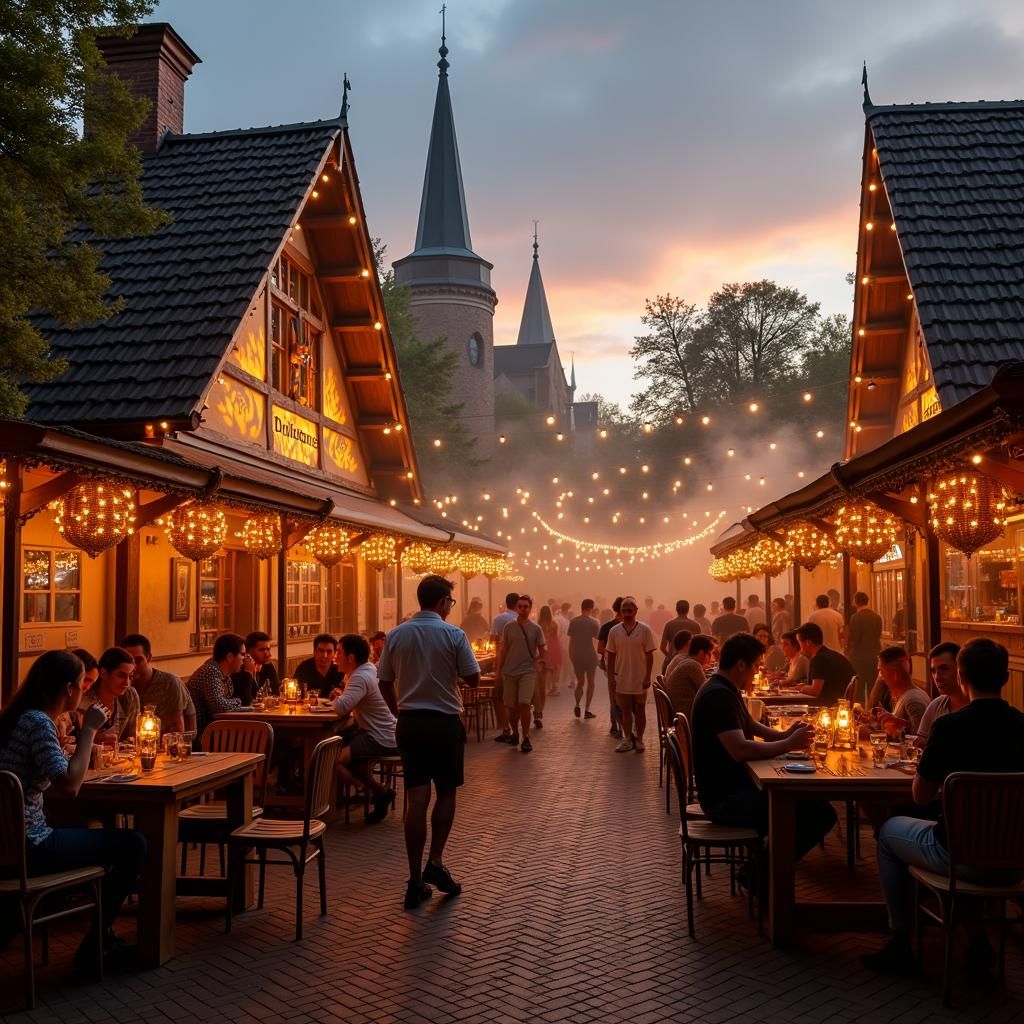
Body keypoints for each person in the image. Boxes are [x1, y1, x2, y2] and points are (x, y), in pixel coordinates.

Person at [862, 638, 1024, 978]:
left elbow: (920, 796)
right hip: (1013, 861)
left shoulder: (949, 727)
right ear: (1006, 678)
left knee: (890, 831)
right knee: (961, 839)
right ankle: (976, 938)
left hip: (957, 856)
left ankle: (901, 939)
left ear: (962, 678)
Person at [0, 650, 147, 974]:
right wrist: (91, 729)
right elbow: (69, 786)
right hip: (31, 845)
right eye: (82, 683)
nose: (84, 690)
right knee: (133, 844)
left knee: (99, 834)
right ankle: (96, 944)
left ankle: (98, 936)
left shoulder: (18, 716)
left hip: (9, 846)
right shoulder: (38, 722)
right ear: (69, 689)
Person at [691, 632, 837, 878]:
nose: (757, 671)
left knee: (810, 805)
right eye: (756, 666)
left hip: (734, 788)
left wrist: (784, 735)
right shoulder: (718, 695)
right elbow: (741, 749)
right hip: (725, 800)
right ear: (740, 665)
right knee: (819, 813)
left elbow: (751, 726)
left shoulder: (727, 689)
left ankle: (764, 867)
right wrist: (789, 744)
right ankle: (761, 876)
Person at [377, 575, 480, 909]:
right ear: (442, 602)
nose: (450, 607)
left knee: (416, 798)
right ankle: (435, 861)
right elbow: (473, 677)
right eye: (450, 602)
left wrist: (398, 713)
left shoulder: (396, 634)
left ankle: (414, 877)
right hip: (444, 722)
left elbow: (384, 681)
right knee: (446, 791)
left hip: (410, 723)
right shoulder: (453, 634)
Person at [333, 634, 399, 824]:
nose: (335, 657)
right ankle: (379, 792)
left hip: (380, 736)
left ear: (351, 658)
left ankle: (371, 791)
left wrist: (336, 698)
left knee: (333, 759)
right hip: (379, 732)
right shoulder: (367, 669)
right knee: (352, 758)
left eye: (338, 652)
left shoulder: (360, 676)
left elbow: (342, 707)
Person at [605, 597, 657, 753]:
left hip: (640, 677)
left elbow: (649, 654)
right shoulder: (614, 631)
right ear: (620, 612)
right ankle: (627, 738)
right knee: (625, 709)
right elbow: (611, 655)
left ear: (635, 611)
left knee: (640, 709)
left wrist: (648, 676)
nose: (627, 613)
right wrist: (611, 677)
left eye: (630, 610)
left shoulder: (644, 630)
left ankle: (639, 739)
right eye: (624, 610)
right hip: (621, 676)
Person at [496, 595, 547, 752]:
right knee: (511, 707)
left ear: (530, 609)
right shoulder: (509, 627)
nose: (523, 609)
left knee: (524, 703)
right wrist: (498, 671)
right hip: (510, 672)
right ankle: (515, 733)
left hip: (527, 672)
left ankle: (526, 736)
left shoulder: (536, 628)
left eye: (526, 606)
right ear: (516, 608)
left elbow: (542, 649)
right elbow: (503, 650)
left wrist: (538, 662)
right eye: (520, 606)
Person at [119, 633, 195, 732]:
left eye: (138, 661)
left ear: (149, 658)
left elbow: (178, 727)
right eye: (128, 662)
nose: (133, 667)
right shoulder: (120, 685)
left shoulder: (170, 683)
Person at [186, 632, 245, 741]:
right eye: (242, 654)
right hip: (203, 735)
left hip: (215, 729)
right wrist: (238, 701)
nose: (244, 659)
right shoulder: (210, 672)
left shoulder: (224, 674)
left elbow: (225, 702)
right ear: (230, 656)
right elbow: (219, 706)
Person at [80, 647, 140, 745]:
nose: (127, 683)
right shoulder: (84, 698)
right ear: (103, 673)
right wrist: (94, 740)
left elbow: (133, 737)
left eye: (130, 676)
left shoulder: (129, 695)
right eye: (121, 676)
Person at [915, 642, 966, 748]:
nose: (937, 677)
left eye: (943, 669)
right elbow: (920, 745)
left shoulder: (978, 708)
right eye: (933, 671)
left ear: (959, 670)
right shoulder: (936, 705)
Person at [873, 646, 929, 737]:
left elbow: (920, 741)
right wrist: (888, 718)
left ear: (895, 674)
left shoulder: (913, 700)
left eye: (882, 672)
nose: (881, 678)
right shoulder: (907, 695)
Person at [794, 622, 854, 705]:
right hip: (840, 707)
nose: (800, 649)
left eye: (799, 643)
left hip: (830, 708)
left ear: (808, 642)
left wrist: (802, 688)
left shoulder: (819, 659)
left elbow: (815, 691)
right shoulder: (830, 655)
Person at [490, 592, 519, 743]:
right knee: (515, 697)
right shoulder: (521, 620)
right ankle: (515, 727)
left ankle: (506, 727)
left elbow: (493, 640)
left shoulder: (499, 619)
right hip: (519, 662)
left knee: (501, 696)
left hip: (503, 661)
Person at [57, 648, 98, 751]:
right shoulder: (45, 716)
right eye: (85, 680)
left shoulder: (72, 713)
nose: (87, 687)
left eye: (91, 683)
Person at [664, 634, 714, 720]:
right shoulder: (693, 665)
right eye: (709, 654)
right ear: (702, 653)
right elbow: (707, 690)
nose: (711, 658)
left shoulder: (688, 662)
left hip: (680, 712)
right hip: (686, 716)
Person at [846, 591, 883, 700]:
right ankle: (873, 710)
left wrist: (848, 650)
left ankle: (859, 712)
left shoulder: (856, 617)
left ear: (856, 601)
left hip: (859, 657)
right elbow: (878, 634)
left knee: (859, 688)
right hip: (874, 655)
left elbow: (854, 638)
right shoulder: (877, 617)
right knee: (873, 686)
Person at [568, 599, 600, 719]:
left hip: (577, 655)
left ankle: (577, 704)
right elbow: (597, 641)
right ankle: (587, 710)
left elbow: (571, 642)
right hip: (590, 655)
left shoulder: (574, 621)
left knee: (580, 682)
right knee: (591, 683)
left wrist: (571, 656)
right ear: (591, 608)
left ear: (581, 607)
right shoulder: (594, 623)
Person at [598, 597, 625, 737]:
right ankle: (617, 725)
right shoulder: (611, 627)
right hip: (614, 666)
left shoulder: (606, 627)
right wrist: (614, 653)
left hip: (617, 666)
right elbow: (600, 648)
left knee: (615, 696)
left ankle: (617, 725)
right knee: (617, 696)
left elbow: (600, 649)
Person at [230, 630, 280, 702]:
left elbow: (276, 692)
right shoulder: (239, 669)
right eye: (262, 650)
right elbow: (245, 700)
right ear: (248, 651)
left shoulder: (267, 665)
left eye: (268, 649)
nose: (267, 654)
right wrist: (249, 673)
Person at [295, 633, 343, 698]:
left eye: (329, 652)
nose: (324, 656)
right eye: (321, 651)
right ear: (314, 651)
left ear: (334, 653)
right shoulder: (304, 668)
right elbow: (296, 693)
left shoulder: (340, 669)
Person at [659, 600, 701, 671]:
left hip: (671, 662)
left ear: (676, 610)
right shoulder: (695, 625)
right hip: (690, 663)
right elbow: (699, 646)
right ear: (688, 610)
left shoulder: (669, 624)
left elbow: (662, 647)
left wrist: (669, 656)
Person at [536, 604, 560, 714]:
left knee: (545, 670)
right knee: (554, 667)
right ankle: (555, 686)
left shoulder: (538, 624)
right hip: (553, 646)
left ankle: (547, 687)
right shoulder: (554, 624)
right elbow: (557, 636)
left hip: (542, 647)